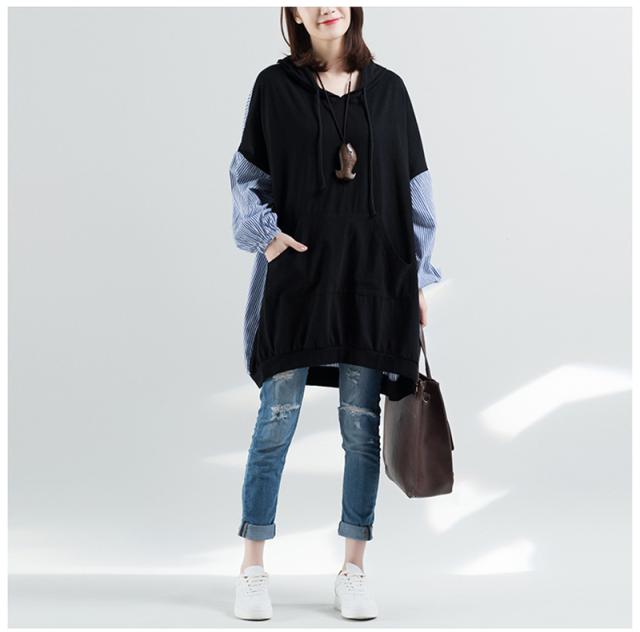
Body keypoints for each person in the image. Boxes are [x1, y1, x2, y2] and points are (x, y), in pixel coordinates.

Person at [229, 6, 443, 621]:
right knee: (275, 420)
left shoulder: (390, 91)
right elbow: (245, 178)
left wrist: (419, 277)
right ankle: (252, 568)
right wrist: (266, 236)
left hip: (374, 281)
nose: (326, 6)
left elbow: (417, 190)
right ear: (293, 12)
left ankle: (353, 569)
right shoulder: (274, 88)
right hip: (300, 280)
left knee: (360, 426)